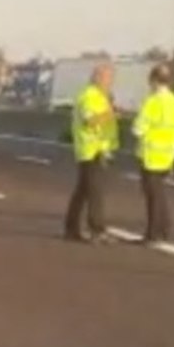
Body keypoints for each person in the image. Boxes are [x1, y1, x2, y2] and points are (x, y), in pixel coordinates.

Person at [131, 63, 174, 244]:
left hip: (150, 155)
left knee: (153, 196)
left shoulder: (152, 102)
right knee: (160, 194)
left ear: (154, 80)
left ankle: (153, 234)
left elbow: (138, 129)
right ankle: (163, 229)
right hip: (168, 155)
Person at [63, 63, 118, 243]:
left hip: (96, 148)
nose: (111, 82)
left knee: (83, 191)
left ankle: (71, 228)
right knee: (95, 192)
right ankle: (97, 229)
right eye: (109, 78)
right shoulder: (89, 96)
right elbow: (89, 120)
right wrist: (109, 114)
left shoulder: (100, 97)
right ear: (98, 78)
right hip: (90, 149)